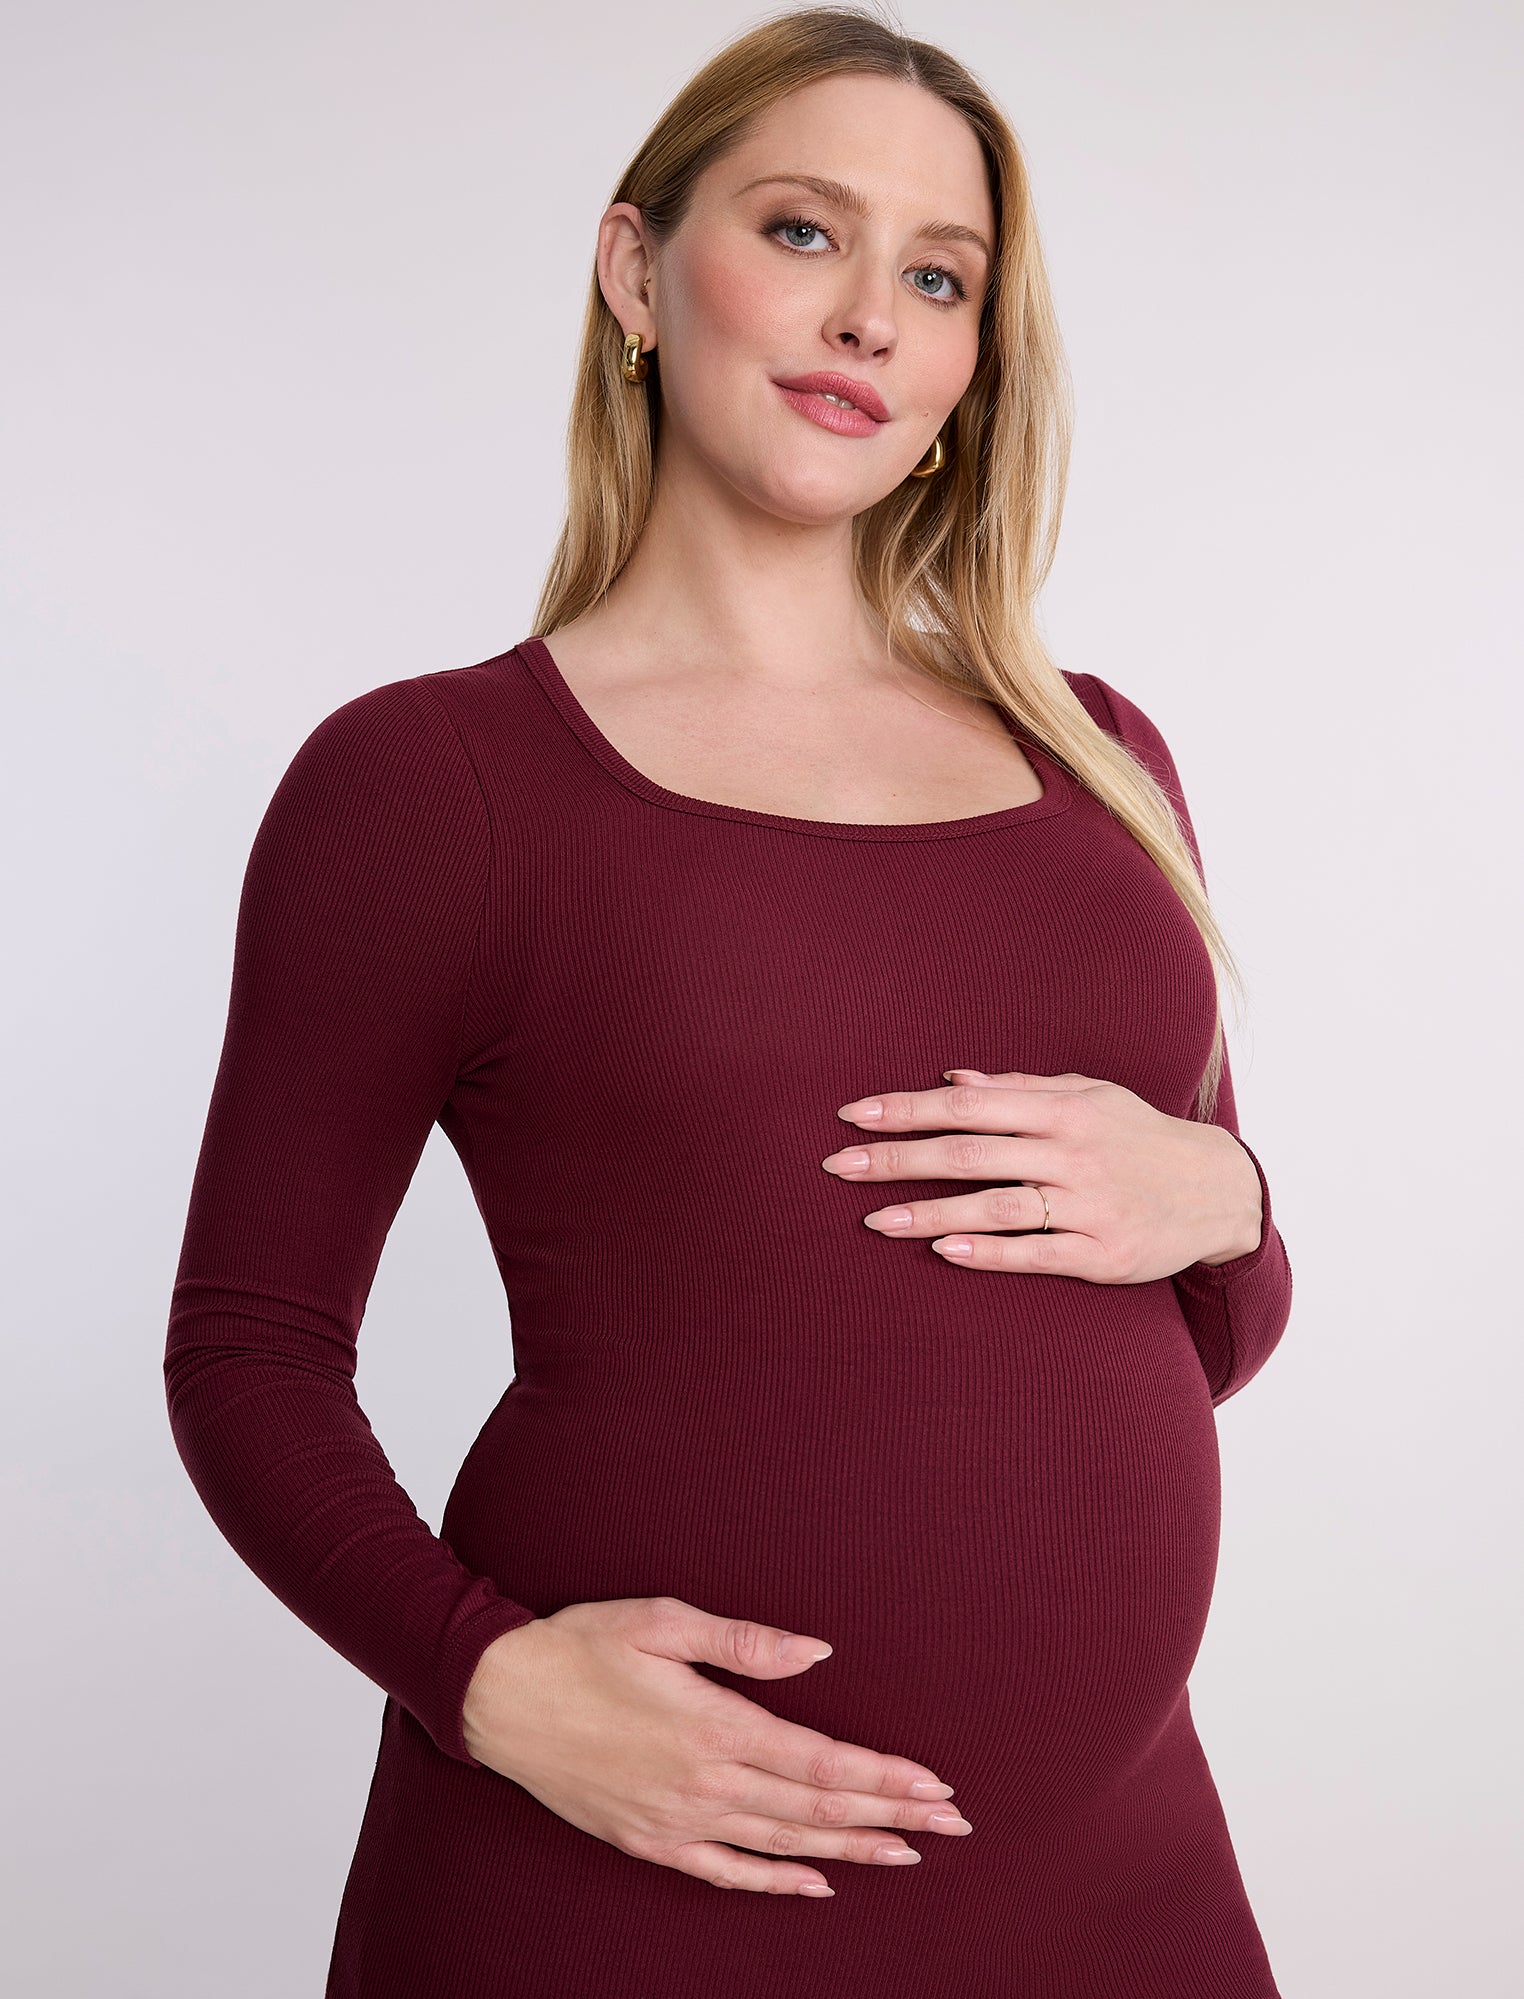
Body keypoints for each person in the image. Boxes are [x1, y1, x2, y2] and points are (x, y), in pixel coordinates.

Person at [163, 8, 1294, 1994]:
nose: (870, 314)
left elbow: (1196, 1341)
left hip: (1116, 1880)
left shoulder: (1099, 754)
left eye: (937, 276)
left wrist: (1235, 1202)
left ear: (968, 362)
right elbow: (247, 1350)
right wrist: (486, 1680)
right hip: (621, 1886)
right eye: (802, 232)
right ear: (634, 272)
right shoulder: (437, 788)